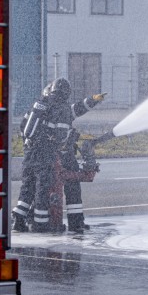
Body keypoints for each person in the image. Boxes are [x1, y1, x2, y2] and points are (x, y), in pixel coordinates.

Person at [12, 78, 106, 233]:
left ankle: (19, 219)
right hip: (51, 154)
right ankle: (50, 223)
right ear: (66, 93)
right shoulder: (61, 109)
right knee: (45, 189)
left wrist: (92, 100)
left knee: (28, 187)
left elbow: (25, 129)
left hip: (30, 154)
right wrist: (70, 139)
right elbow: (62, 134)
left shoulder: (39, 107)